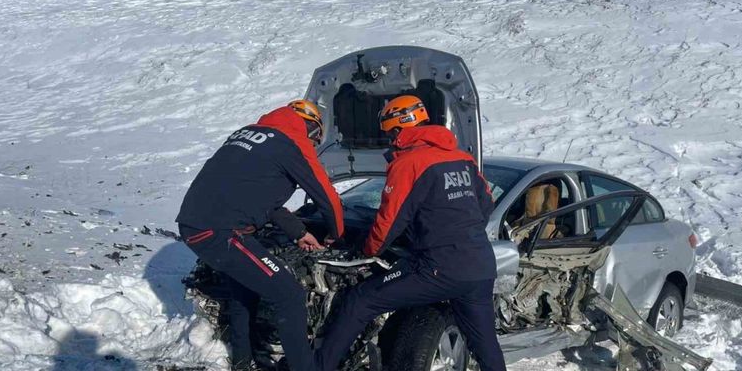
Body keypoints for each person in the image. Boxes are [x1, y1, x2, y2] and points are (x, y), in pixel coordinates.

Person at [314, 95, 506, 371]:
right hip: (480, 267)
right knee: (485, 345)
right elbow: (485, 206)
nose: (390, 140)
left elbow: (388, 223)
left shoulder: (410, 163)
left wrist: (365, 251)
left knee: (360, 300)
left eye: (389, 133)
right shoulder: (463, 158)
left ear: (398, 128)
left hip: (438, 267)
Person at [176, 100, 344, 371]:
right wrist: (337, 235)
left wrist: (299, 232)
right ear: (312, 130)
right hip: (222, 232)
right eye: (316, 141)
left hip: (195, 225)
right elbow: (327, 198)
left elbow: (263, 200)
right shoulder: (293, 141)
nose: (313, 147)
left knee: (245, 291)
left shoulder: (250, 134)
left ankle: (242, 363)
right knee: (289, 293)